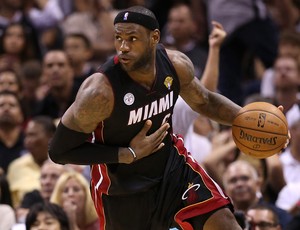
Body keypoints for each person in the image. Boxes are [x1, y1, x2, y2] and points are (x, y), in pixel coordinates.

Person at [50, 5, 255, 229]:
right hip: (121, 189)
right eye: (118, 38)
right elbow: (58, 151)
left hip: (173, 171)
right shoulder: (99, 92)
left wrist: (247, 119)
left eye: (132, 38)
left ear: (154, 37)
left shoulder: (175, 65)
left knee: (225, 222)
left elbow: (205, 100)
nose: (123, 47)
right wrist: (127, 154)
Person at [222, 160, 292, 228]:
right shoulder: (220, 219)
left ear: (258, 183)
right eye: (233, 181)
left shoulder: (279, 215)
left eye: (245, 178)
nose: (239, 184)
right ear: (225, 190)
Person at [7, 116, 56, 207]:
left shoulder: (67, 165)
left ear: (51, 137)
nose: (27, 141)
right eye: (26, 136)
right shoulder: (16, 167)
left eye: (32, 135)